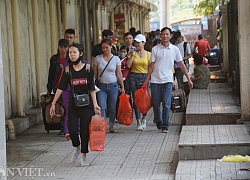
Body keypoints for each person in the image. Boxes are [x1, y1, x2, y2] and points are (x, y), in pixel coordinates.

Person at [50, 43, 101, 166]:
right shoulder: (67, 70)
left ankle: (84, 156)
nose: (71, 55)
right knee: (72, 130)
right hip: (73, 104)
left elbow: (91, 88)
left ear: (81, 53)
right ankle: (77, 147)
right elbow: (61, 87)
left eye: (74, 52)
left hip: (87, 105)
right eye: (70, 52)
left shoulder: (88, 69)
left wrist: (95, 104)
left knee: (84, 131)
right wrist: (53, 103)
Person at [144, 27, 193, 133]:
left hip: (168, 80)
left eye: (167, 34)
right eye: (163, 34)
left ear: (170, 36)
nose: (165, 36)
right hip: (155, 81)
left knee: (166, 103)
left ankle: (165, 125)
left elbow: (181, 64)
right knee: (156, 103)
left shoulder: (174, 49)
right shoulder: (155, 49)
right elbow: (151, 66)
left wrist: (188, 79)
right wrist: (147, 80)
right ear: (160, 36)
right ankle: (158, 119)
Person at [93, 38, 125, 133]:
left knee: (112, 106)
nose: (105, 50)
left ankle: (111, 125)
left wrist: (122, 87)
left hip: (113, 86)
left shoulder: (116, 59)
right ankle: (103, 124)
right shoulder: (98, 58)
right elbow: (94, 73)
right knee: (102, 106)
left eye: (107, 47)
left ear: (111, 47)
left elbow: (119, 74)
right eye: (103, 48)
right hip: (101, 86)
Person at [126, 34, 151, 131]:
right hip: (133, 76)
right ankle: (138, 121)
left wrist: (147, 80)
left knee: (144, 99)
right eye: (135, 42)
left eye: (138, 42)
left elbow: (150, 68)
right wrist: (132, 55)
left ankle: (144, 118)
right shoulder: (132, 53)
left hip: (144, 77)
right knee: (136, 99)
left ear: (143, 43)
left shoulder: (149, 54)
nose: (136, 44)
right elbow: (128, 66)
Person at [47, 39, 69, 135]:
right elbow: (51, 74)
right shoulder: (54, 59)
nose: (63, 49)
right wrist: (49, 88)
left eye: (65, 47)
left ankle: (67, 127)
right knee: (59, 108)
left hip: (68, 87)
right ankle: (63, 128)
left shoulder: (70, 58)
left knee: (67, 107)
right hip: (57, 87)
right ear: (58, 47)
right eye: (61, 47)